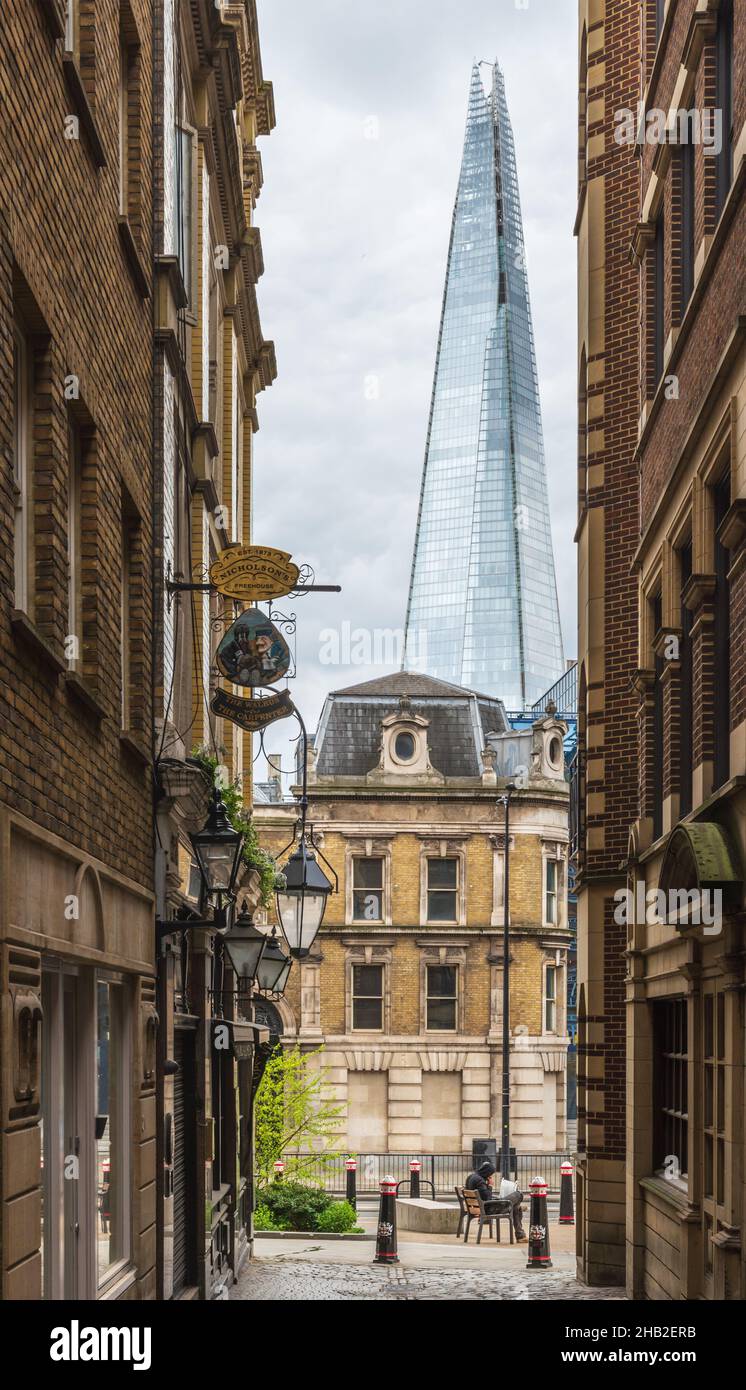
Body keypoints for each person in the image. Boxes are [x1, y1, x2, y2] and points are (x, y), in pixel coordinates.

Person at [464, 1160, 526, 1240]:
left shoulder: (471, 1177)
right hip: (488, 1210)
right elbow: (487, 1198)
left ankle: (520, 1234)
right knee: (518, 1194)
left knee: (516, 1207)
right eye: (490, 1174)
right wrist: (489, 1185)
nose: (491, 1176)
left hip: (479, 1207)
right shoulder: (480, 1181)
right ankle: (520, 1235)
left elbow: (482, 1196)